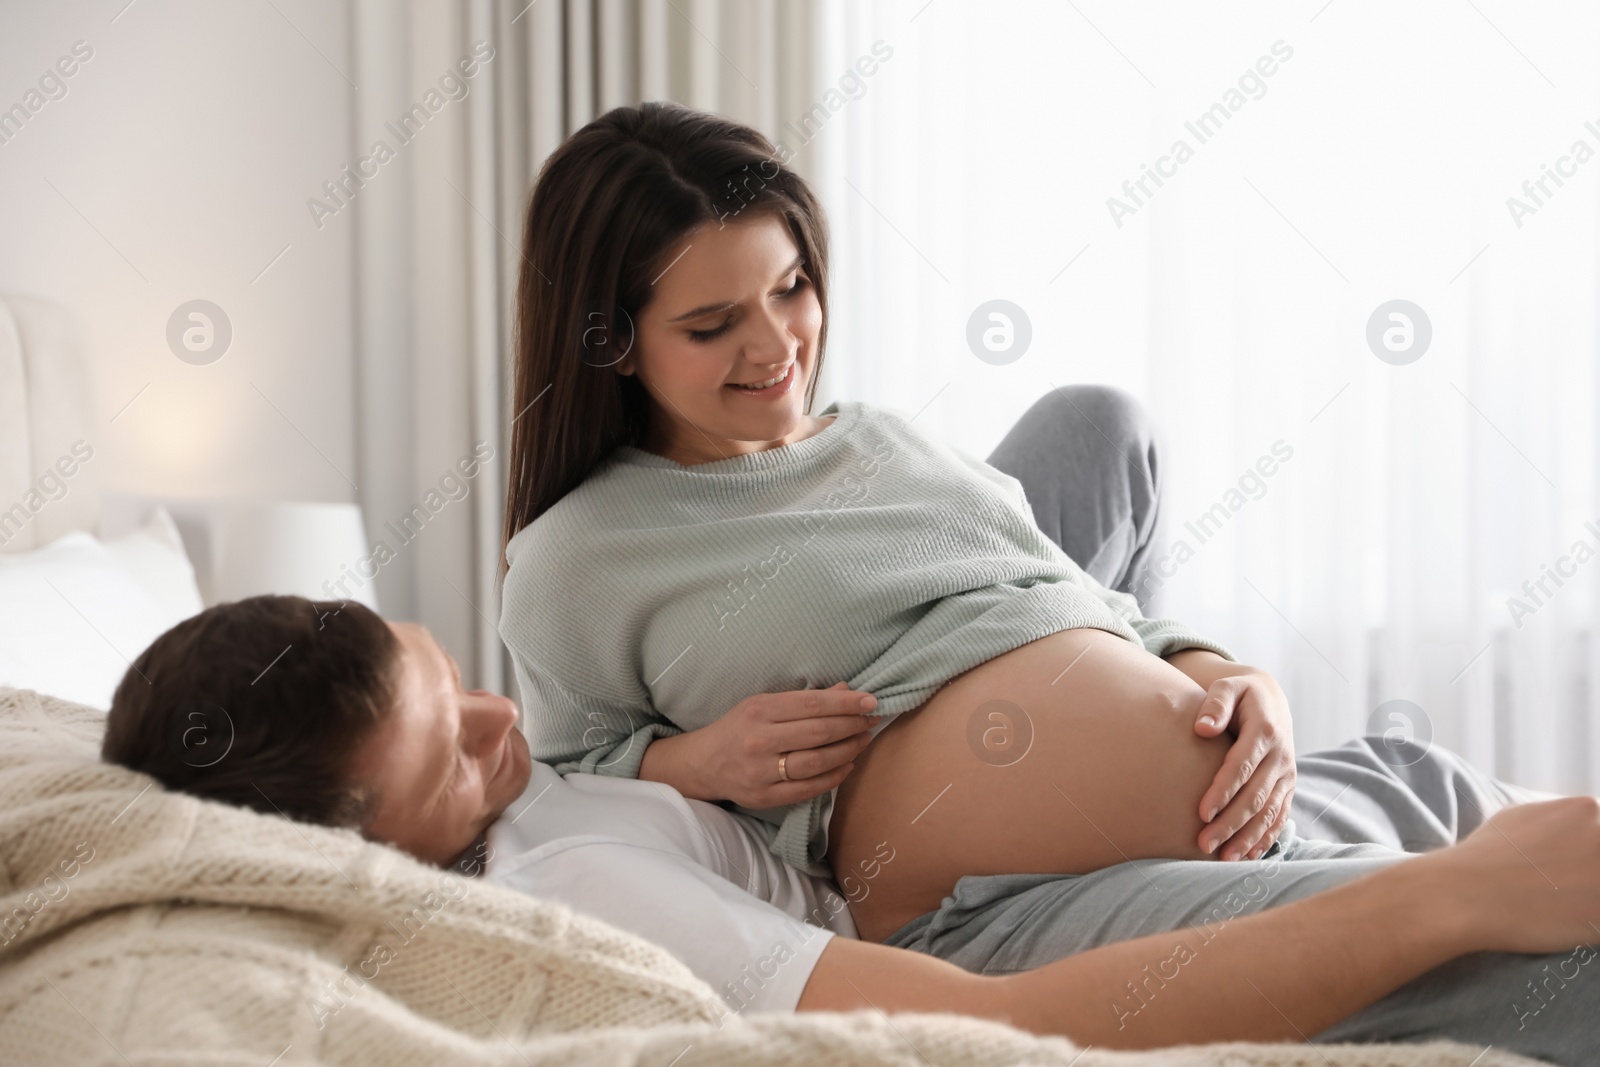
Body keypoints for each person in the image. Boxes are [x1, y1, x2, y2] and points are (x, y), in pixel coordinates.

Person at [100, 596, 1600, 1064]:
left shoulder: (524, 771)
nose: (501, 723)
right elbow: (1006, 1019)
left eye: (454, 677)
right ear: (365, 850)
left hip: (890, 823)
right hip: (958, 920)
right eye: (449, 756)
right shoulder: (587, 887)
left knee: (1084, 444)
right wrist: (1446, 901)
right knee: (1547, 951)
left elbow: (535, 740)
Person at [500, 100, 1301, 942]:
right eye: (712, 325)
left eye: (791, 289)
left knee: (1423, 794)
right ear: (612, 343)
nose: (777, 348)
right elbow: (558, 777)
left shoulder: (883, 436)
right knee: (1435, 930)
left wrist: (1234, 678)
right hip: (986, 908)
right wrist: (694, 762)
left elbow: (1079, 602)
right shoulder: (579, 556)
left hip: (1210, 835)